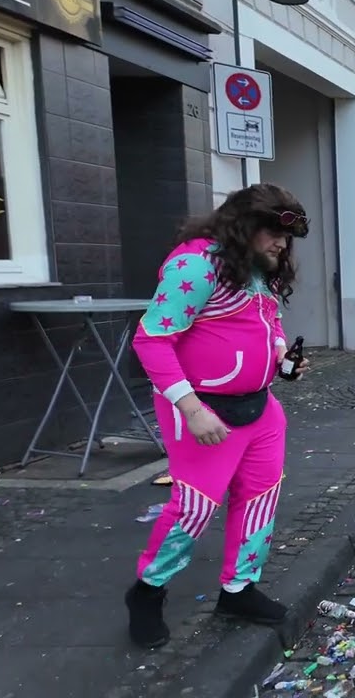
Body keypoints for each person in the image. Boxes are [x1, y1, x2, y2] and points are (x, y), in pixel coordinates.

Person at [124, 183, 311, 649]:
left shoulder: (257, 270)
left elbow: (268, 324)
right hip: (204, 413)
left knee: (259, 500)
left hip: (260, 409)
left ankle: (238, 589)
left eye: (285, 239)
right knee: (193, 508)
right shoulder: (196, 264)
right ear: (245, 226)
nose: (280, 245)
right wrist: (190, 409)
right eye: (274, 234)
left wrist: (281, 358)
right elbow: (151, 341)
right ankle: (147, 592)